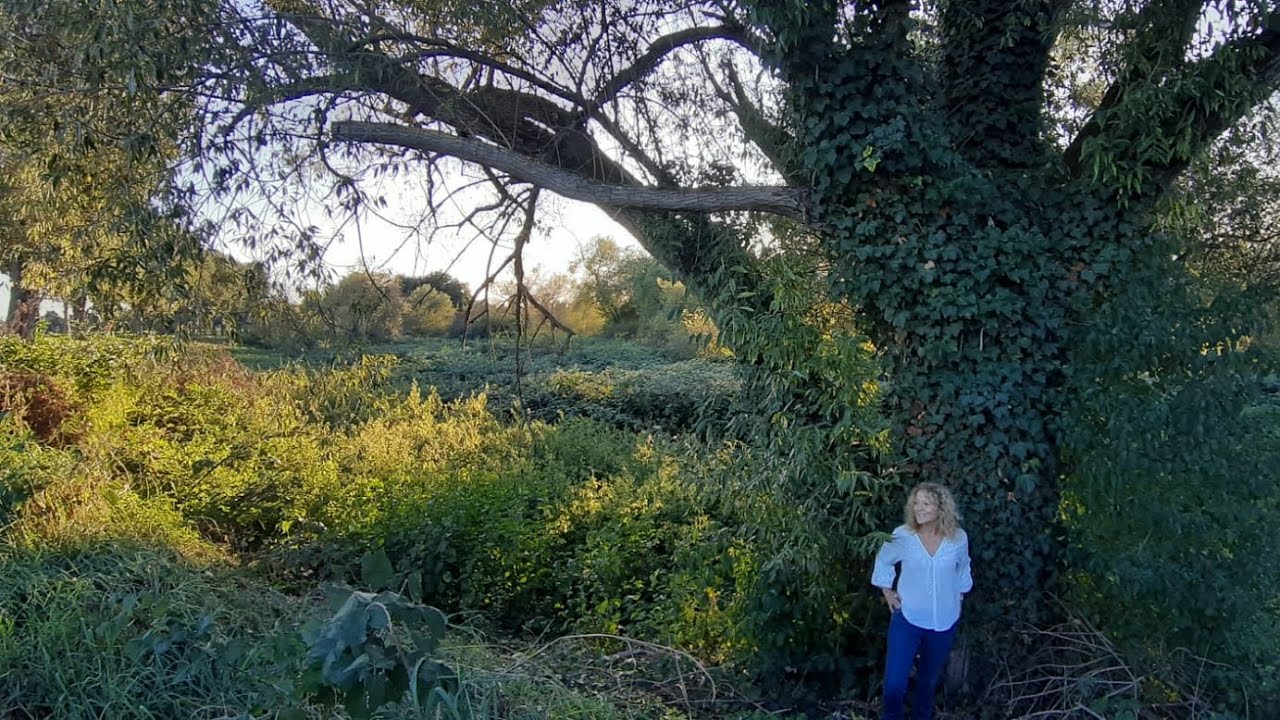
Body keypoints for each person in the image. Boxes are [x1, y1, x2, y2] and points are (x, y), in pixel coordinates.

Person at [871, 482, 972, 720]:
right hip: (907, 618)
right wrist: (887, 591)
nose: (919, 508)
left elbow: (963, 567)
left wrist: (960, 593)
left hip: (943, 622)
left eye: (926, 503)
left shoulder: (958, 538)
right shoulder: (903, 536)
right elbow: (883, 559)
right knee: (894, 684)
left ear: (941, 507)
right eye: (916, 503)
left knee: (928, 682)